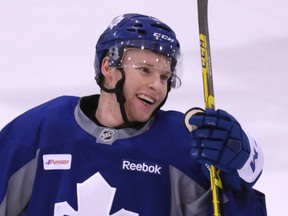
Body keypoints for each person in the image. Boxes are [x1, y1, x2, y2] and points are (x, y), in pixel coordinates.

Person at [0, 13, 266, 216]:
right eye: (145, 70)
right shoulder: (41, 131)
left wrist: (239, 173)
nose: (157, 85)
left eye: (165, 76)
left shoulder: (182, 146)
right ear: (108, 66)